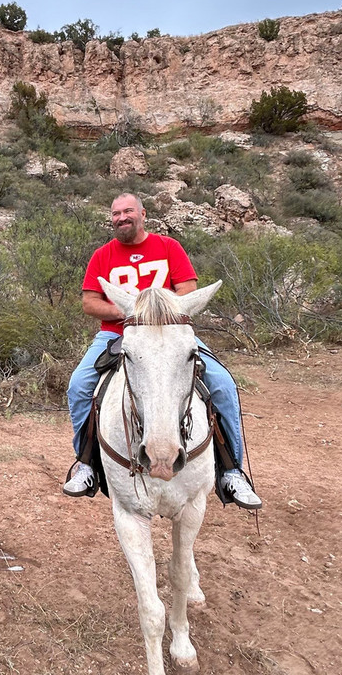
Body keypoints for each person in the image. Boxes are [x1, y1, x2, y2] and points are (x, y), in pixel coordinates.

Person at [62, 193, 261, 509]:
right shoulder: (102, 255)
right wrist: (129, 313)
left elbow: (187, 290)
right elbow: (89, 302)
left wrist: (156, 312)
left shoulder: (168, 247)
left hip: (170, 333)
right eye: (115, 213)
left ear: (143, 214)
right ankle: (86, 464)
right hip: (117, 334)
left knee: (223, 384)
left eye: (128, 211)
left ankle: (231, 470)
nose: (121, 217)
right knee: (79, 386)